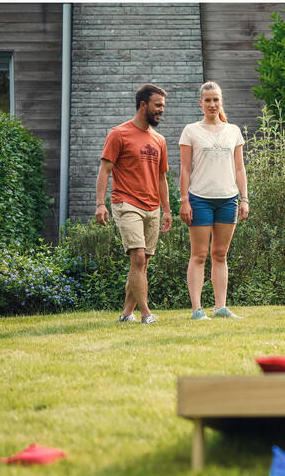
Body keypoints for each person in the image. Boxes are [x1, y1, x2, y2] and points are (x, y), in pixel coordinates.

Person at [95, 83, 172, 324]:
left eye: (163, 106)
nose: (161, 110)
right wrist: (100, 203)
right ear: (143, 105)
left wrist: (167, 209)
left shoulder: (159, 140)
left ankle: (126, 313)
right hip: (126, 203)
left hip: (153, 207)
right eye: (157, 105)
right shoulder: (119, 134)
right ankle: (146, 313)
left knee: (142, 263)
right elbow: (105, 170)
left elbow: (161, 177)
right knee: (138, 258)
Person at [179, 81, 249, 320]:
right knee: (198, 255)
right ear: (201, 103)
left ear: (221, 101)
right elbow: (185, 170)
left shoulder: (233, 131)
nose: (212, 104)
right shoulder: (191, 131)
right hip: (199, 200)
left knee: (220, 254)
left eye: (215, 99)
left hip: (228, 199)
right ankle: (197, 310)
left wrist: (245, 199)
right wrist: (184, 200)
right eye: (207, 100)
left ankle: (220, 307)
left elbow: (240, 169)